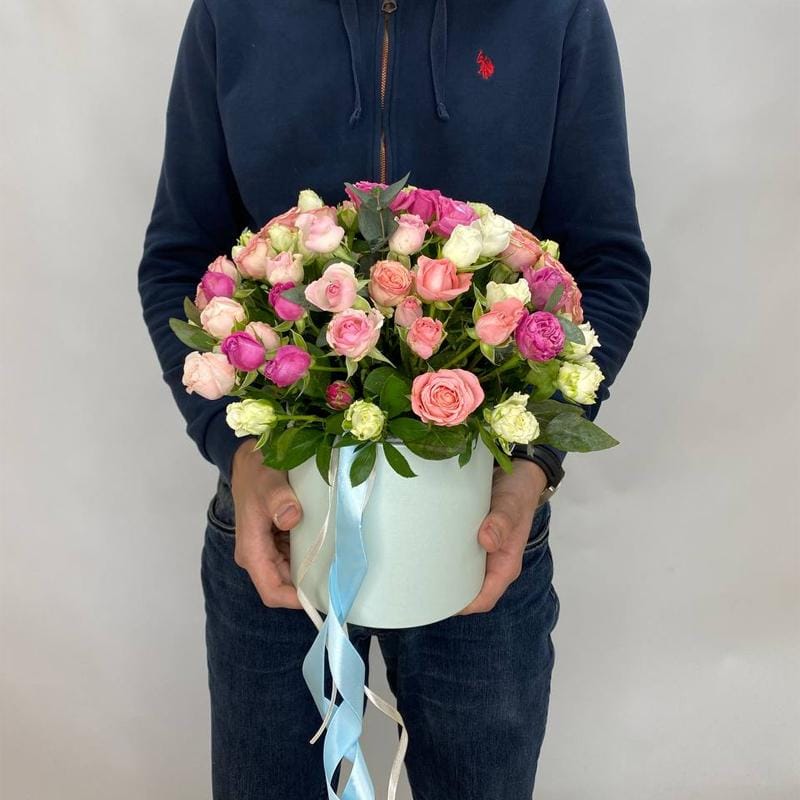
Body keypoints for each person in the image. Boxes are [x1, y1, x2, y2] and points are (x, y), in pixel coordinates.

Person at [138, 1, 650, 797]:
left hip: (483, 526)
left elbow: (607, 267)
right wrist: (235, 452)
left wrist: (534, 465)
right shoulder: (232, 12)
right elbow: (179, 258)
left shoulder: (557, 13)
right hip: (276, 525)